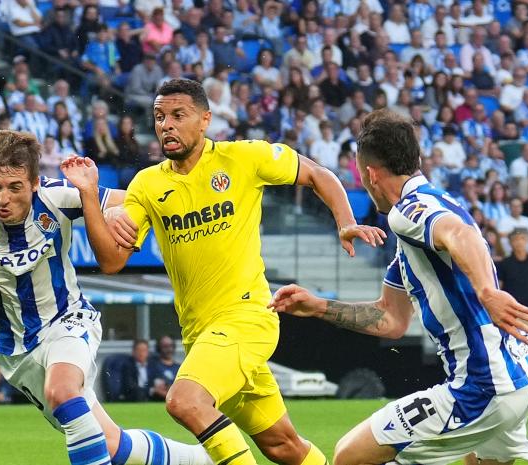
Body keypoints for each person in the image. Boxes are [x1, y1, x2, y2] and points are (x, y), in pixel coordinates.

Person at [84, 78, 383, 465]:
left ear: (205, 119)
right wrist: (94, 201)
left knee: (185, 402)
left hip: (247, 319)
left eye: (178, 115)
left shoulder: (243, 158)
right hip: (201, 335)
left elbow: (316, 174)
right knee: (283, 446)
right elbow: (112, 262)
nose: (166, 125)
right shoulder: (147, 184)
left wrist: (344, 220)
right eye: (159, 117)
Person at [0, 130, 210, 465]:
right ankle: (201, 461)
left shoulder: (57, 195)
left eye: (14, 187)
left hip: (68, 319)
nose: (2, 198)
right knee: (110, 445)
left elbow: (141, 199)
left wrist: (112, 210)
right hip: (15, 352)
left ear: (35, 183)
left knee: (62, 392)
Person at [268, 109, 528, 465]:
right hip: (521, 375)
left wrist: (488, 292)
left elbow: (458, 234)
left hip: (484, 385)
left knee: (349, 457)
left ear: (370, 174)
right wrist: (317, 306)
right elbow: (390, 319)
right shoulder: (425, 222)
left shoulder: (408, 211)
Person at [148, 335, 180, 401]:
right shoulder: (153, 366)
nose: (169, 349)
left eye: (171, 346)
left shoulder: (179, 367)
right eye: (165, 346)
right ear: (159, 348)